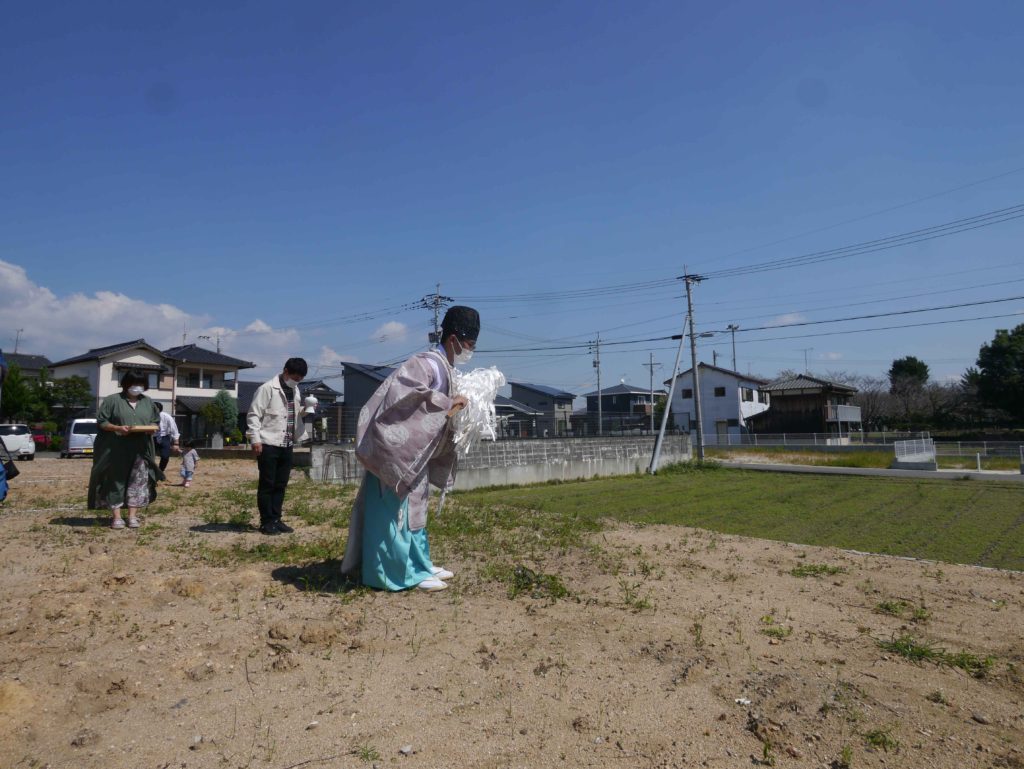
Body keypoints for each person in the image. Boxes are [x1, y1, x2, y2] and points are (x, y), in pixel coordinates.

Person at [341, 306, 479, 592]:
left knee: (416, 510)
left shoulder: (444, 366)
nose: (470, 350)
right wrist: (448, 404)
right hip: (395, 455)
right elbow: (403, 399)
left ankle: (419, 563)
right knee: (395, 514)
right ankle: (394, 573)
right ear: (454, 339)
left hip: (416, 454)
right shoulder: (424, 363)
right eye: (469, 344)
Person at [88, 369, 163, 529]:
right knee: (116, 481)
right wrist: (117, 428)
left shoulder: (148, 402)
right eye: (134, 383)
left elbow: (155, 421)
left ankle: (132, 516)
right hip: (116, 448)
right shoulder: (112, 400)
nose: (137, 387)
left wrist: (151, 428)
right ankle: (116, 517)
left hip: (141, 449)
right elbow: (102, 421)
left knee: (138, 481)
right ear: (126, 384)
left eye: (141, 384)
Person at [246, 358, 309, 535]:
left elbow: (292, 414)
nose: (296, 382)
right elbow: (253, 415)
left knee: (281, 484)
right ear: (285, 371)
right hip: (268, 443)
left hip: (287, 443)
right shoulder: (267, 389)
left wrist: (306, 410)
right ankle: (266, 521)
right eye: (294, 378)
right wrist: (255, 440)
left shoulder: (295, 390)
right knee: (267, 483)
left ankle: (276, 519)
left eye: (300, 379)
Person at [153, 402, 180, 472]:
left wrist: (176, 443)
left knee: (165, 456)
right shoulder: (148, 416)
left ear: (159, 409)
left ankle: (160, 471)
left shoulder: (166, 416)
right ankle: (151, 472)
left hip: (164, 437)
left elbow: (174, 429)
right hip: (152, 437)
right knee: (149, 456)